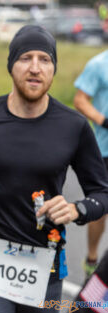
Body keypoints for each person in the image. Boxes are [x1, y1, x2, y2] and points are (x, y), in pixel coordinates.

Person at [0, 25, 108, 313]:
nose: (35, 67)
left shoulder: (74, 126)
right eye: (25, 58)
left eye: (45, 59)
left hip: (45, 263)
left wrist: (77, 210)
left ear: (53, 68)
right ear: (11, 65)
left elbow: (102, 193)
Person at [74, 50, 108, 280]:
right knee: (100, 210)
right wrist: (103, 121)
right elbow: (80, 100)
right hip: (104, 151)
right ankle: (92, 258)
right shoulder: (99, 64)